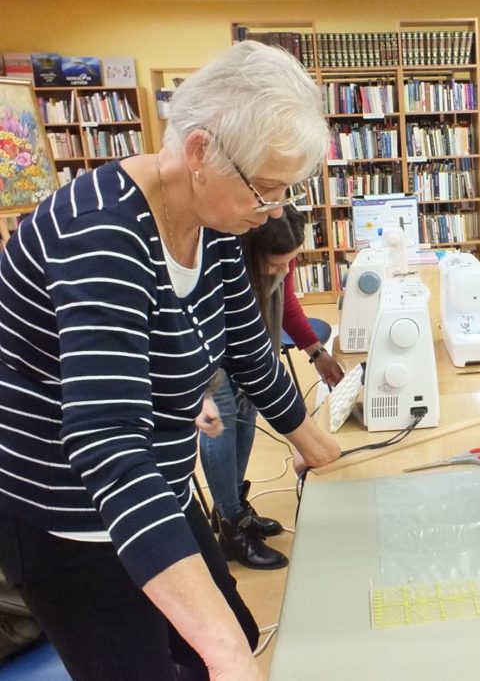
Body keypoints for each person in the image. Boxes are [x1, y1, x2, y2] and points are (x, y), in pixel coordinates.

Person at [0, 41, 341, 680]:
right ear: (200, 152)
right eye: (266, 189)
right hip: (72, 515)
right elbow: (106, 442)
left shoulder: (215, 220)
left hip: (156, 482)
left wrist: (321, 449)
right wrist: (223, 653)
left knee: (233, 633)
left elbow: (248, 347)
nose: (274, 210)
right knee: (187, 659)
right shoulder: (101, 235)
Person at [198, 205, 344, 570]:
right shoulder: (221, 270)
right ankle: (231, 526)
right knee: (223, 426)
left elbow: (287, 304)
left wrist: (317, 353)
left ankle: (233, 505)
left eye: (289, 263)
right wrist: (308, 442)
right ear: (249, 254)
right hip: (215, 356)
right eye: (275, 265)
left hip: (253, 353)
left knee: (246, 418)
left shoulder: (278, 261)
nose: (283, 271)